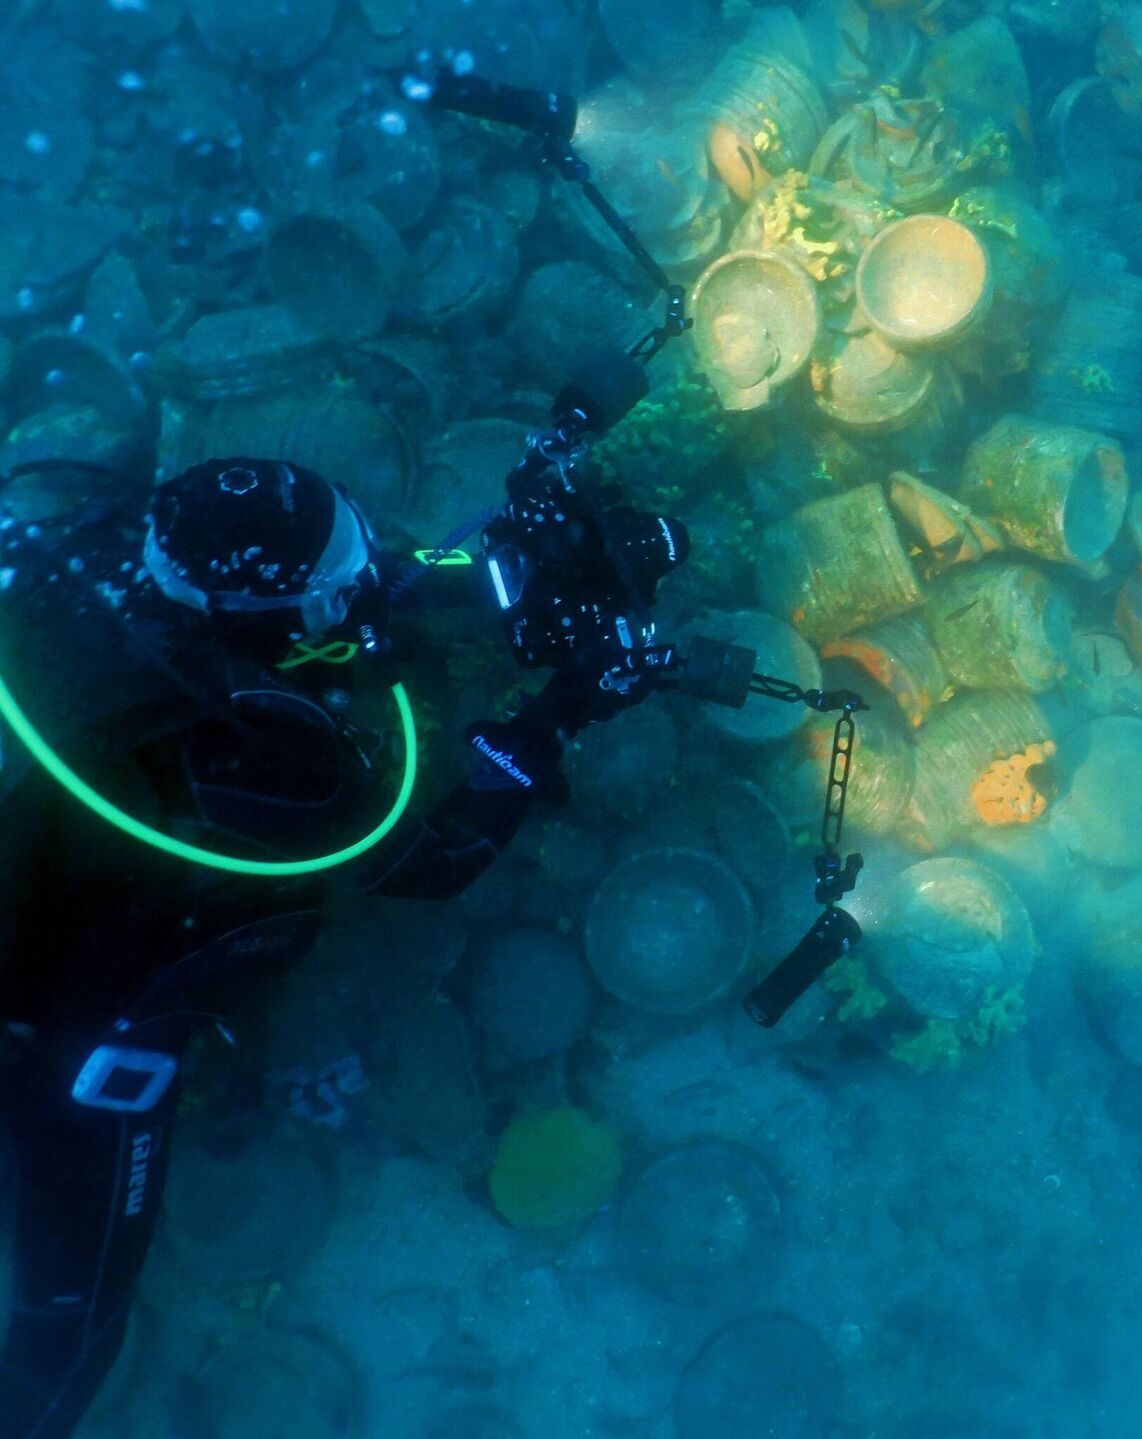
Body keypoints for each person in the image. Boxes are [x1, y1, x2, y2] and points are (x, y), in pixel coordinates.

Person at [0, 457, 681, 1437]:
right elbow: (429, 860)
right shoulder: (274, 772)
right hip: (70, 1034)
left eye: (351, 538)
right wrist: (555, 710)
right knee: (70, 1331)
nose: (364, 572)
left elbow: (379, 585)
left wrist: (516, 562)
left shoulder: (99, 545)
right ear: (268, 627)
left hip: (42, 866)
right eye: (338, 574)